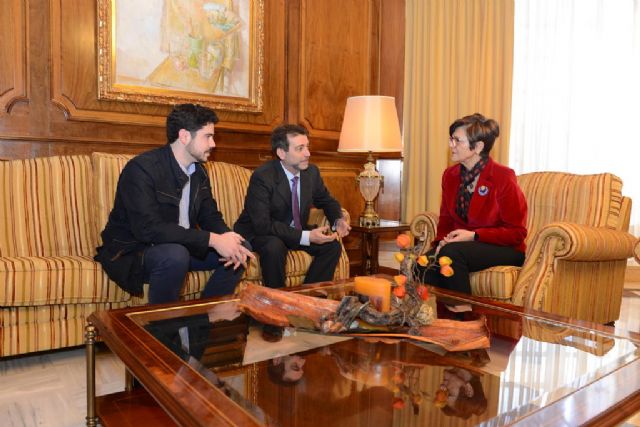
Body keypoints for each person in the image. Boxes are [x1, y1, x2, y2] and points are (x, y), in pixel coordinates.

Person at [95, 103, 254, 304]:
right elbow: (148, 229)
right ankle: (163, 331)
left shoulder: (199, 172)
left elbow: (210, 216)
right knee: (174, 255)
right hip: (136, 252)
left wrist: (226, 237)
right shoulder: (141, 169)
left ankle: (205, 320)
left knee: (241, 248)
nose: (213, 144)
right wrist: (212, 240)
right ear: (185, 136)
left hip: (182, 245)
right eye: (208, 136)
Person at [416, 113, 527, 294]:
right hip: (460, 247)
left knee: (451, 255)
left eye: (457, 141)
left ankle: (466, 316)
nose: (451, 145)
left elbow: (517, 232)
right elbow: (446, 219)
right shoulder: (450, 176)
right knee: (420, 266)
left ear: (478, 146)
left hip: (505, 248)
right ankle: (447, 319)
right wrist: (440, 244)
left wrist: (474, 235)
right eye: (451, 139)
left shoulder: (502, 177)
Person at [234, 124, 351, 289]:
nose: (307, 154)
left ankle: (308, 296)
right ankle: (278, 300)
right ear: (282, 153)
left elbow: (326, 200)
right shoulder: (263, 176)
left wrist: (337, 219)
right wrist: (306, 236)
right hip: (261, 233)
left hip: (294, 232)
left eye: (307, 147)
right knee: (274, 246)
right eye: (300, 148)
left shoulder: (311, 173)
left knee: (331, 247)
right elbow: (263, 224)